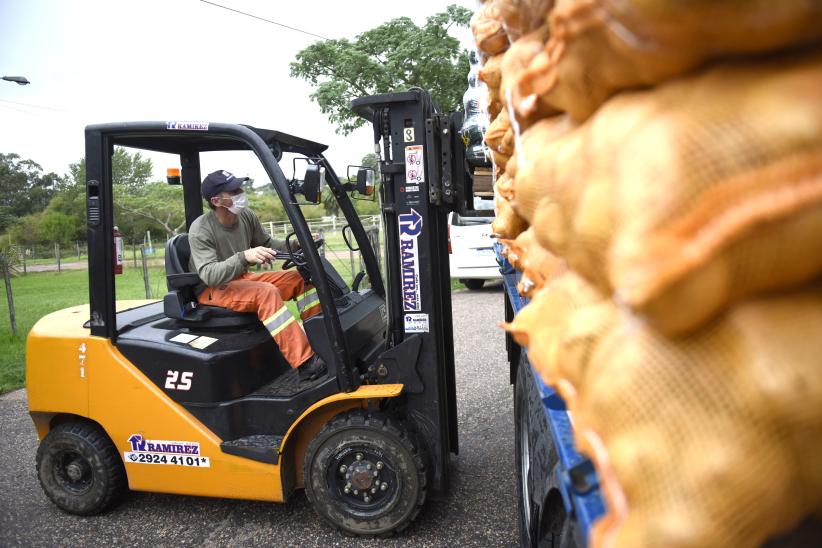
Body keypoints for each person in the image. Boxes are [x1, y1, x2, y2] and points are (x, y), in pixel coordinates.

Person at [188, 169, 327, 381]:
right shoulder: (201, 229)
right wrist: (244, 256)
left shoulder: (245, 216)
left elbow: (267, 243)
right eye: (234, 190)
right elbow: (209, 275)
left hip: (241, 279)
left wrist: (297, 244)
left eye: (240, 187)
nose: (241, 192)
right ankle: (306, 363)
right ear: (216, 200)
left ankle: (323, 343)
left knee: (301, 279)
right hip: (213, 289)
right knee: (266, 293)